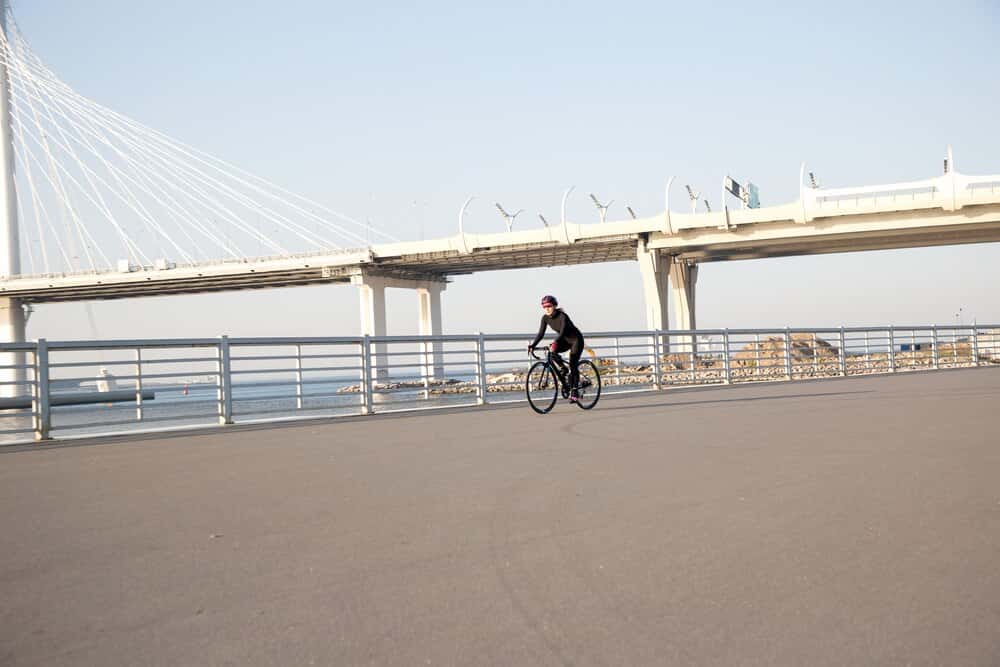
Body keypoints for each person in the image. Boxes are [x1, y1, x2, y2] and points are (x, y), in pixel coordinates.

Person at [528, 295, 585, 401]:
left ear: (554, 306)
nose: (547, 309)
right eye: (544, 307)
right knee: (551, 353)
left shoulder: (562, 316)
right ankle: (563, 368)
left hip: (576, 340)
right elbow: (541, 334)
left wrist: (555, 342)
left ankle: (575, 391)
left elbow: (562, 332)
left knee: (573, 364)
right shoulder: (545, 318)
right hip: (564, 341)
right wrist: (533, 345)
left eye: (549, 306)